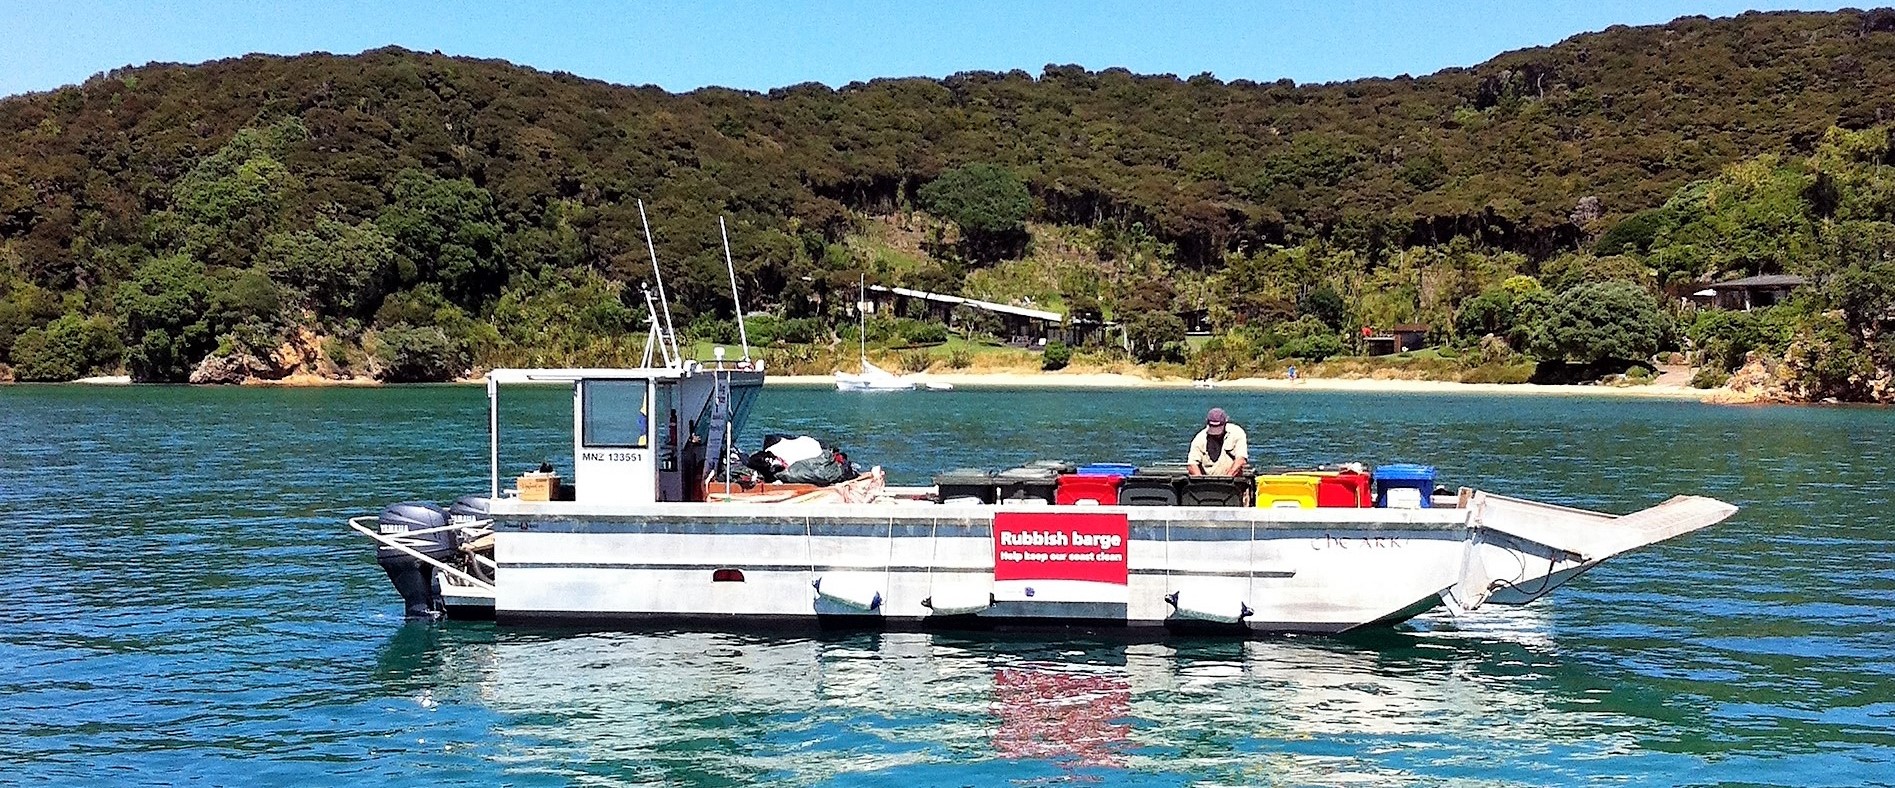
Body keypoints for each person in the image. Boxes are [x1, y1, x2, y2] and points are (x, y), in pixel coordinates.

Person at [1188, 407, 1248, 476]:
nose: (1216, 434)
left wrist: (1228, 478)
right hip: (1207, 480)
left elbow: (1241, 459)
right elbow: (1192, 464)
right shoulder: (1199, 438)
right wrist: (1199, 480)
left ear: (1225, 423)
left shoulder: (1237, 433)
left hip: (1233, 480)